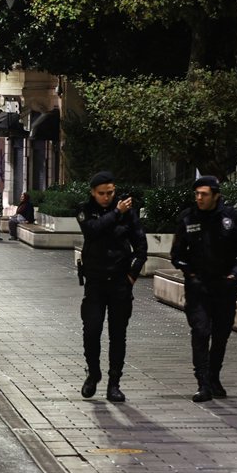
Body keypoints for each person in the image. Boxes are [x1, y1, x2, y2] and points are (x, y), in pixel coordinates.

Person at [169, 175, 237, 403]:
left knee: (220, 335)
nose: (199, 198)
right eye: (196, 194)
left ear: (216, 196)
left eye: (204, 194)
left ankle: (214, 377)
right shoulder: (187, 218)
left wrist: (234, 272)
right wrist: (190, 273)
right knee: (200, 331)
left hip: (224, 286)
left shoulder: (231, 218)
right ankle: (203, 383)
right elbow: (176, 254)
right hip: (198, 287)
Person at [77, 171, 148, 403]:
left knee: (118, 335)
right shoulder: (86, 209)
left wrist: (131, 277)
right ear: (93, 193)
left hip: (120, 283)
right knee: (92, 330)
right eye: (101, 194)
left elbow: (141, 247)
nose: (106, 197)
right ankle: (93, 373)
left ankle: (114, 382)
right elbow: (92, 230)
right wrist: (117, 212)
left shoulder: (129, 215)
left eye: (110, 193)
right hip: (95, 283)